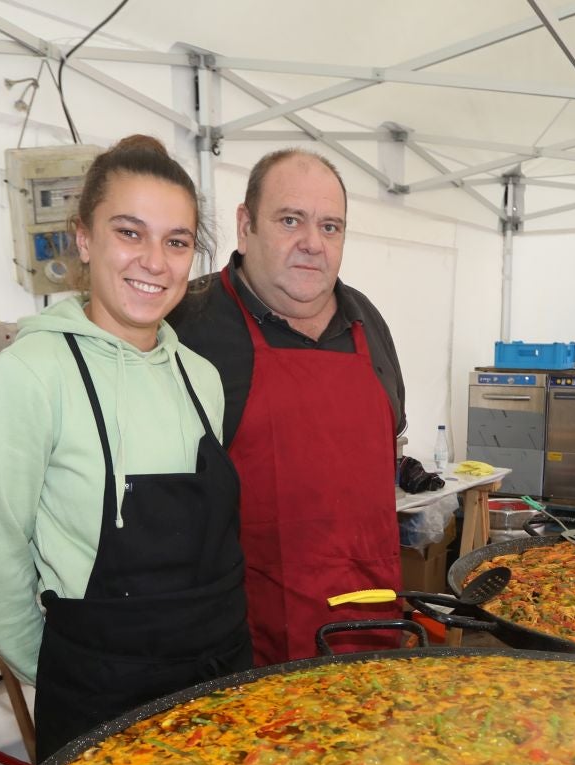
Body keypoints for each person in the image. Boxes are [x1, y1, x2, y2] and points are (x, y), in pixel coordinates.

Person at [0, 135, 250, 761]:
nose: (154, 261)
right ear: (84, 239)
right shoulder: (29, 375)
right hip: (103, 692)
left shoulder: (200, 377)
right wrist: (62, 668)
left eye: (175, 242)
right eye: (129, 232)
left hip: (218, 675)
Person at [169, 148, 408, 665]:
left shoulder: (369, 322)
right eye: (290, 220)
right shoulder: (186, 325)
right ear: (245, 225)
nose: (311, 244)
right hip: (239, 645)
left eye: (330, 227)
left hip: (367, 628)